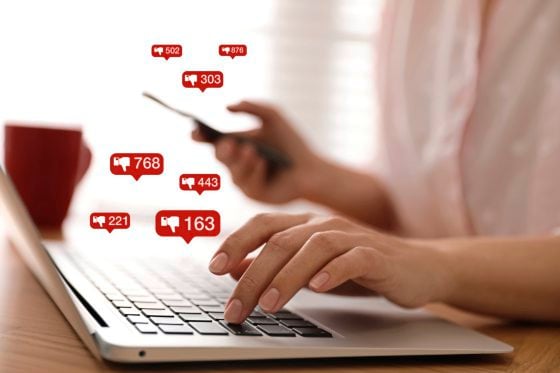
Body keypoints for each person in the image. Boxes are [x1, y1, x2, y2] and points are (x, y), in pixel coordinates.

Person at [193, 0, 560, 325]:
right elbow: (414, 203)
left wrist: (432, 264)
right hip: (438, 324)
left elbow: (422, 257)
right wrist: (316, 177)